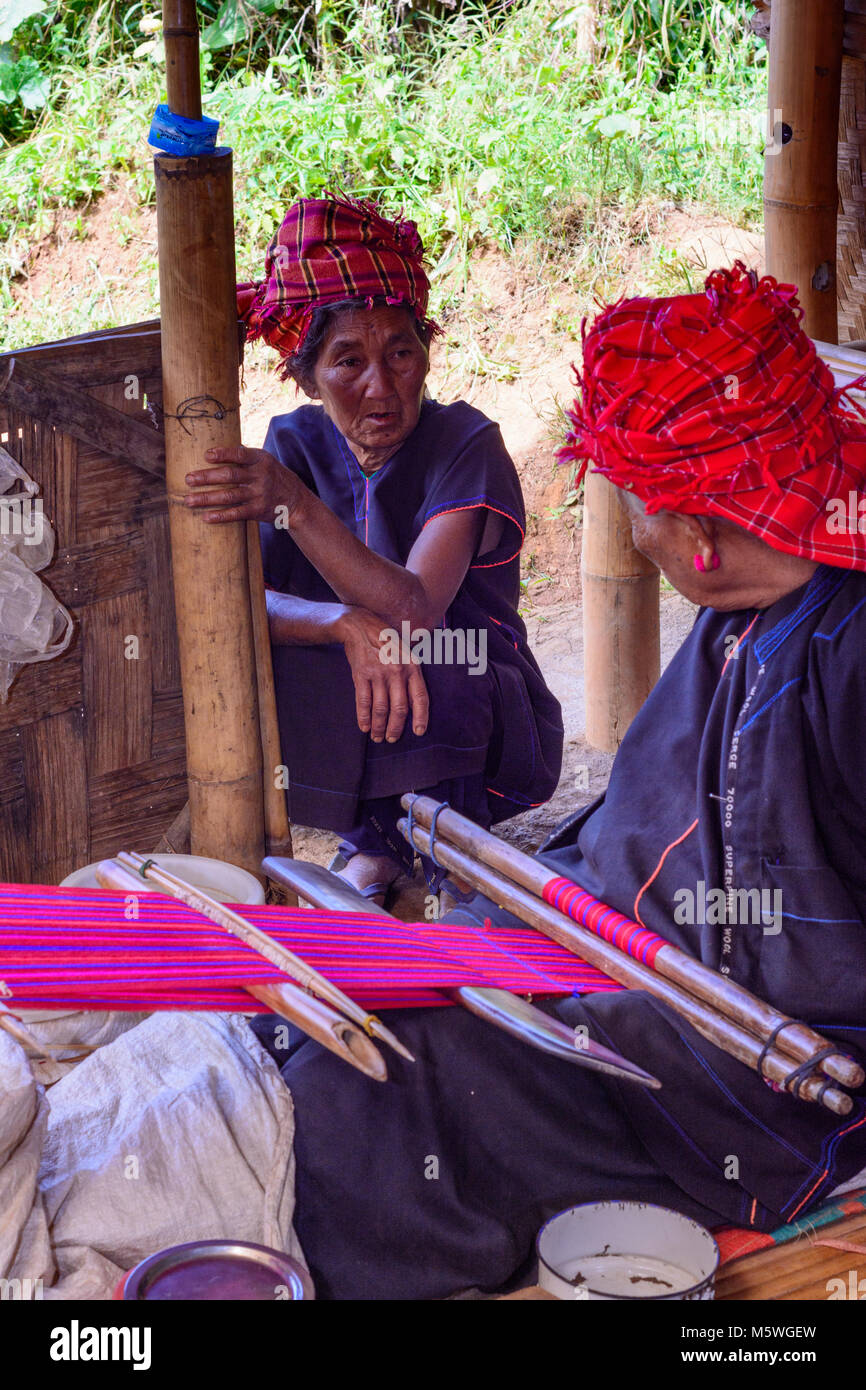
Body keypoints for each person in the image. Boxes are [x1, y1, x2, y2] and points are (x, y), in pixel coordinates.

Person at [253, 264, 866, 1300]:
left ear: (699, 540)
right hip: (660, 971)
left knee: (375, 1093)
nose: (624, 521)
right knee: (373, 995)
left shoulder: (840, 659)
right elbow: (643, 833)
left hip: (760, 1067)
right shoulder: (746, 610)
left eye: (632, 502)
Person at [184, 196, 563, 904]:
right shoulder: (292, 444)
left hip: (483, 718)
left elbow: (415, 612)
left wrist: (295, 507)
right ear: (306, 377)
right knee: (277, 658)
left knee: (436, 655)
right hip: (356, 704)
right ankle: (379, 844)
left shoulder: (465, 443)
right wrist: (339, 624)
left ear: (426, 354)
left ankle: (453, 856)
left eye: (401, 352)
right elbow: (231, 602)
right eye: (348, 361)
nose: (382, 386)